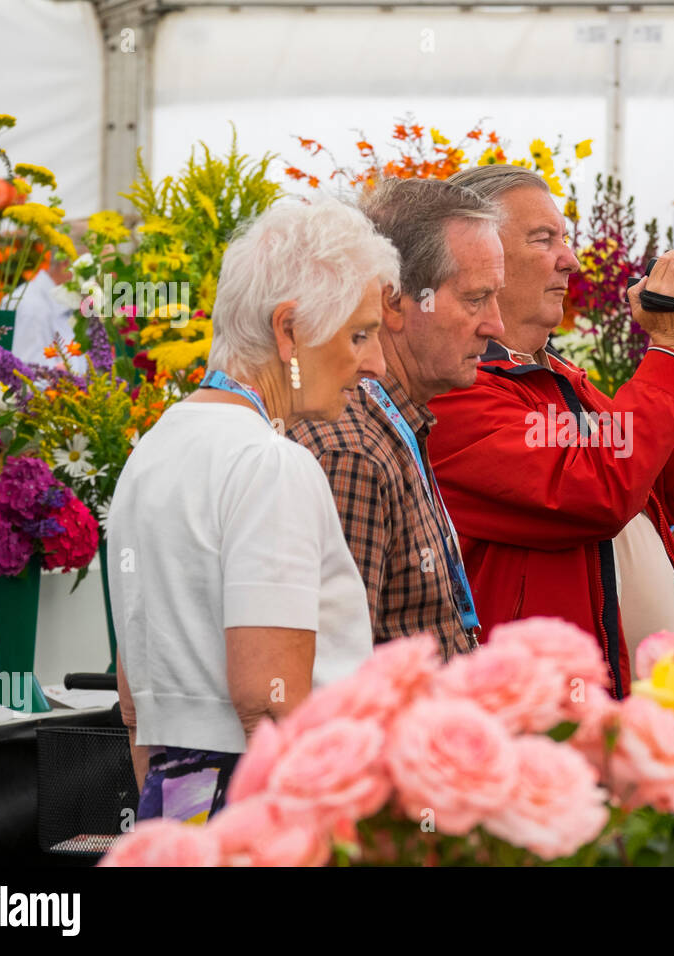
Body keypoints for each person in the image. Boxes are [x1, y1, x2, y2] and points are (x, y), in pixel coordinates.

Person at [429, 165, 674, 697]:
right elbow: (597, 492)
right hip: (549, 722)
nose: (569, 260)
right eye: (543, 239)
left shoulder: (559, 380)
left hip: (633, 707)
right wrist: (671, 349)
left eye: (565, 239)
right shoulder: (454, 394)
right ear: (480, 258)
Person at [109, 201, 399, 822]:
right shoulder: (271, 463)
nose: (374, 364)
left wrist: (176, 824)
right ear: (288, 330)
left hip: (179, 790)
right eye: (359, 334)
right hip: (267, 800)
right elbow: (269, 703)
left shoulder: (155, 449)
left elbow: (135, 703)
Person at [290, 179, 503, 659]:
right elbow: (338, 675)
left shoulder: (392, 429)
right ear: (392, 302)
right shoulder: (352, 450)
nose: (496, 325)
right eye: (475, 299)